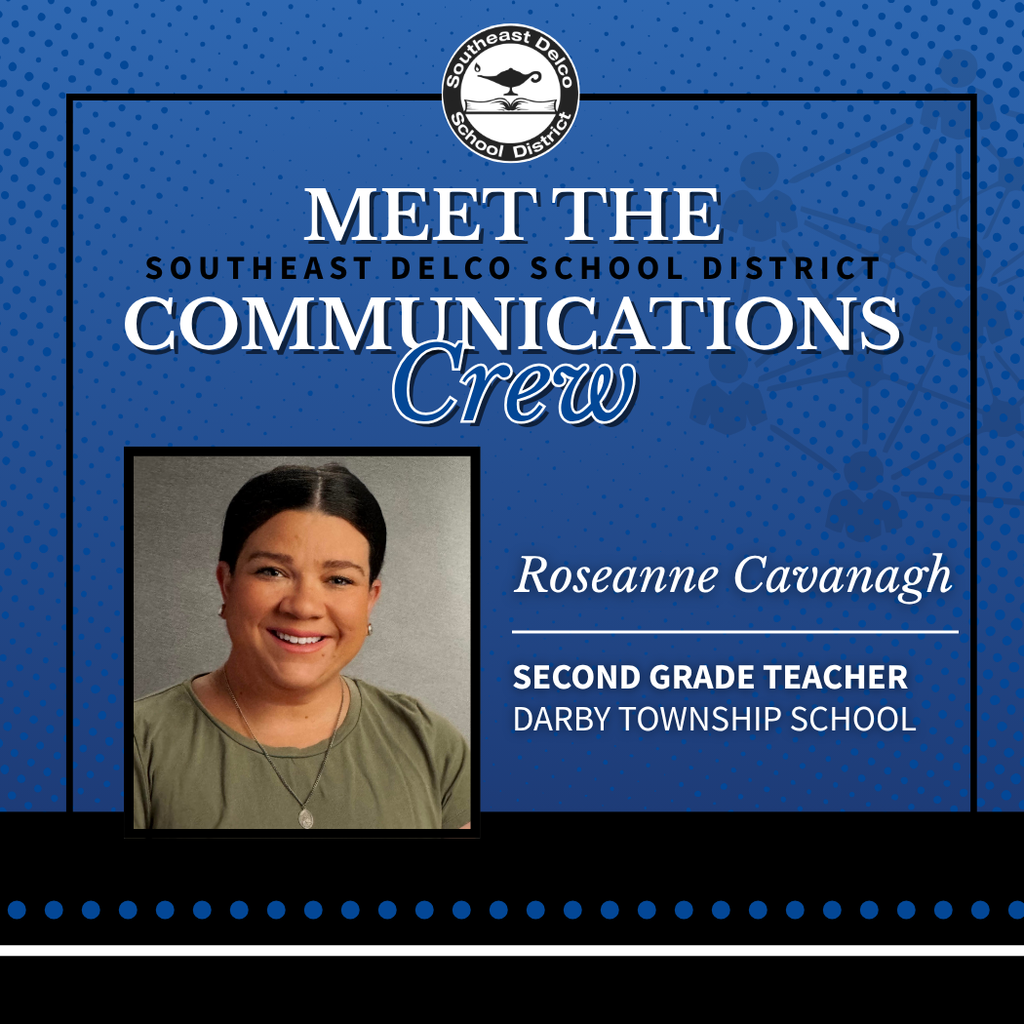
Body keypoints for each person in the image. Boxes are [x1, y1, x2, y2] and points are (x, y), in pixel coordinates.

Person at [133, 463, 471, 830]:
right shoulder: (135, 744)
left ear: (370, 599)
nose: (303, 606)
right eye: (272, 572)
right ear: (226, 583)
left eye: (339, 579)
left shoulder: (431, 743)